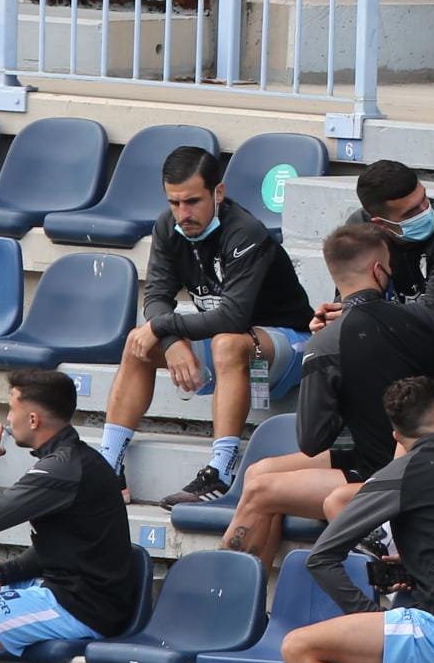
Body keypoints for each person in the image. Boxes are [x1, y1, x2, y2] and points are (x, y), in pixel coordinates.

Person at [219, 225, 434, 562]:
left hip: (387, 470)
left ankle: (227, 598)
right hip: (408, 455)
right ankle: (256, 599)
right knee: (258, 471)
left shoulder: (325, 342)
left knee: (257, 490)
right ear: (379, 270)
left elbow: (312, 440)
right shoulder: (421, 317)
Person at [98, 146, 314, 508]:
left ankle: (222, 469)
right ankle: (108, 465)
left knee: (227, 342)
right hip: (225, 347)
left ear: (219, 192)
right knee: (140, 342)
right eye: (174, 202)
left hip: (286, 347)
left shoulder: (247, 233)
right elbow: (156, 296)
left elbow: (231, 318)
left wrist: (164, 328)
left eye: (193, 202)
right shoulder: (169, 226)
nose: (183, 214)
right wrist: (169, 341)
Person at [286, 378, 434, 663]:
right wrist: (418, 564)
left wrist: (368, 613)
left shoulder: (400, 472)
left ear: (396, 436)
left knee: (298, 647)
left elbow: (321, 558)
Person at [0, 371, 137, 663]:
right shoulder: (68, 460)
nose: (8, 419)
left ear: (34, 419)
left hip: (81, 608)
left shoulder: (61, 469)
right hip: (63, 585)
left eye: (12, 409)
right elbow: (63, 548)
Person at [322, 159, 434, 325]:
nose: (426, 211)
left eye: (424, 199)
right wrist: (329, 319)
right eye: (412, 212)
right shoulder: (360, 230)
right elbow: (349, 295)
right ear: (381, 223)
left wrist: (360, 317)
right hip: (395, 325)